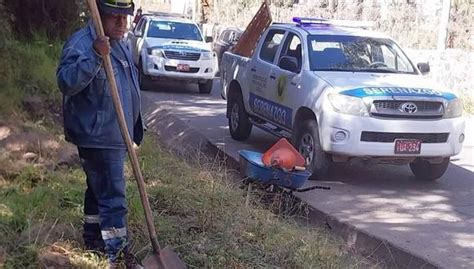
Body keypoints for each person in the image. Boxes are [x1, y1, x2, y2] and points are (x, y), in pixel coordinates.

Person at [56, 0, 143, 268]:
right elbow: (66, 82)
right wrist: (95, 55)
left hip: (116, 134)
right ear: (99, 16)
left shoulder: (120, 44)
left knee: (98, 190)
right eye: (115, 17)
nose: (122, 24)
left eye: (125, 18)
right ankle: (117, 254)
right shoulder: (82, 44)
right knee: (113, 196)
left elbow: (129, 88)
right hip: (98, 136)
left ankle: (93, 239)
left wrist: (135, 128)